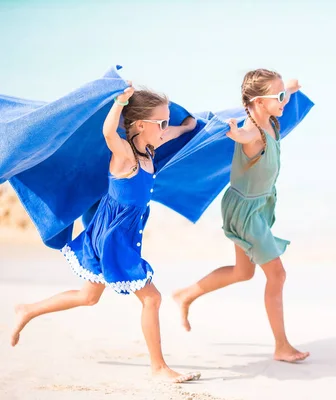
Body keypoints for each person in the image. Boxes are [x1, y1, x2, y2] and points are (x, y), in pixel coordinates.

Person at [10, 83, 201, 383]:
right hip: (114, 240)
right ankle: (158, 368)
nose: (166, 128)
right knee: (152, 299)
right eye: (162, 122)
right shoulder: (125, 155)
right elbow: (108, 133)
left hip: (117, 236)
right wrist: (119, 102)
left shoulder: (151, 148)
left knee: (88, 297)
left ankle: (28, 310)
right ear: (139, 125)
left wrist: (188, 125)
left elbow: (177, 132)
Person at [173, 69, 310, 362]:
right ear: (260, 102)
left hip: (257, 205)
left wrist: (291, 89)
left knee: (242, 272)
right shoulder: (253, 133)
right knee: (277, 275)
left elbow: (280, 96)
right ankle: (281, 346)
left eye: (284, 94)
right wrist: (236, 133)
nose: (284, 101)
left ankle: (185, 294)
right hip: (246, 212)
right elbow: (244, 134)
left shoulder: (271, 118)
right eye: (280, 97)